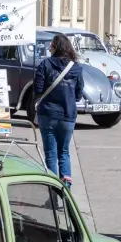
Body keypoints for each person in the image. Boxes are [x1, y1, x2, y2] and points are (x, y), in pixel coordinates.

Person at [33, 34, 85, 188]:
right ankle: (66, 190)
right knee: (64, 152)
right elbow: (78, 94)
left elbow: (38, 90)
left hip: (48, 114)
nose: (49, 48)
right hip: (68, 116)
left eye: (52, 45)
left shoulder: (45, 65)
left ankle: (53, 192)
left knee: (50, 153)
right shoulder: (76, 68)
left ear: (56, 47)